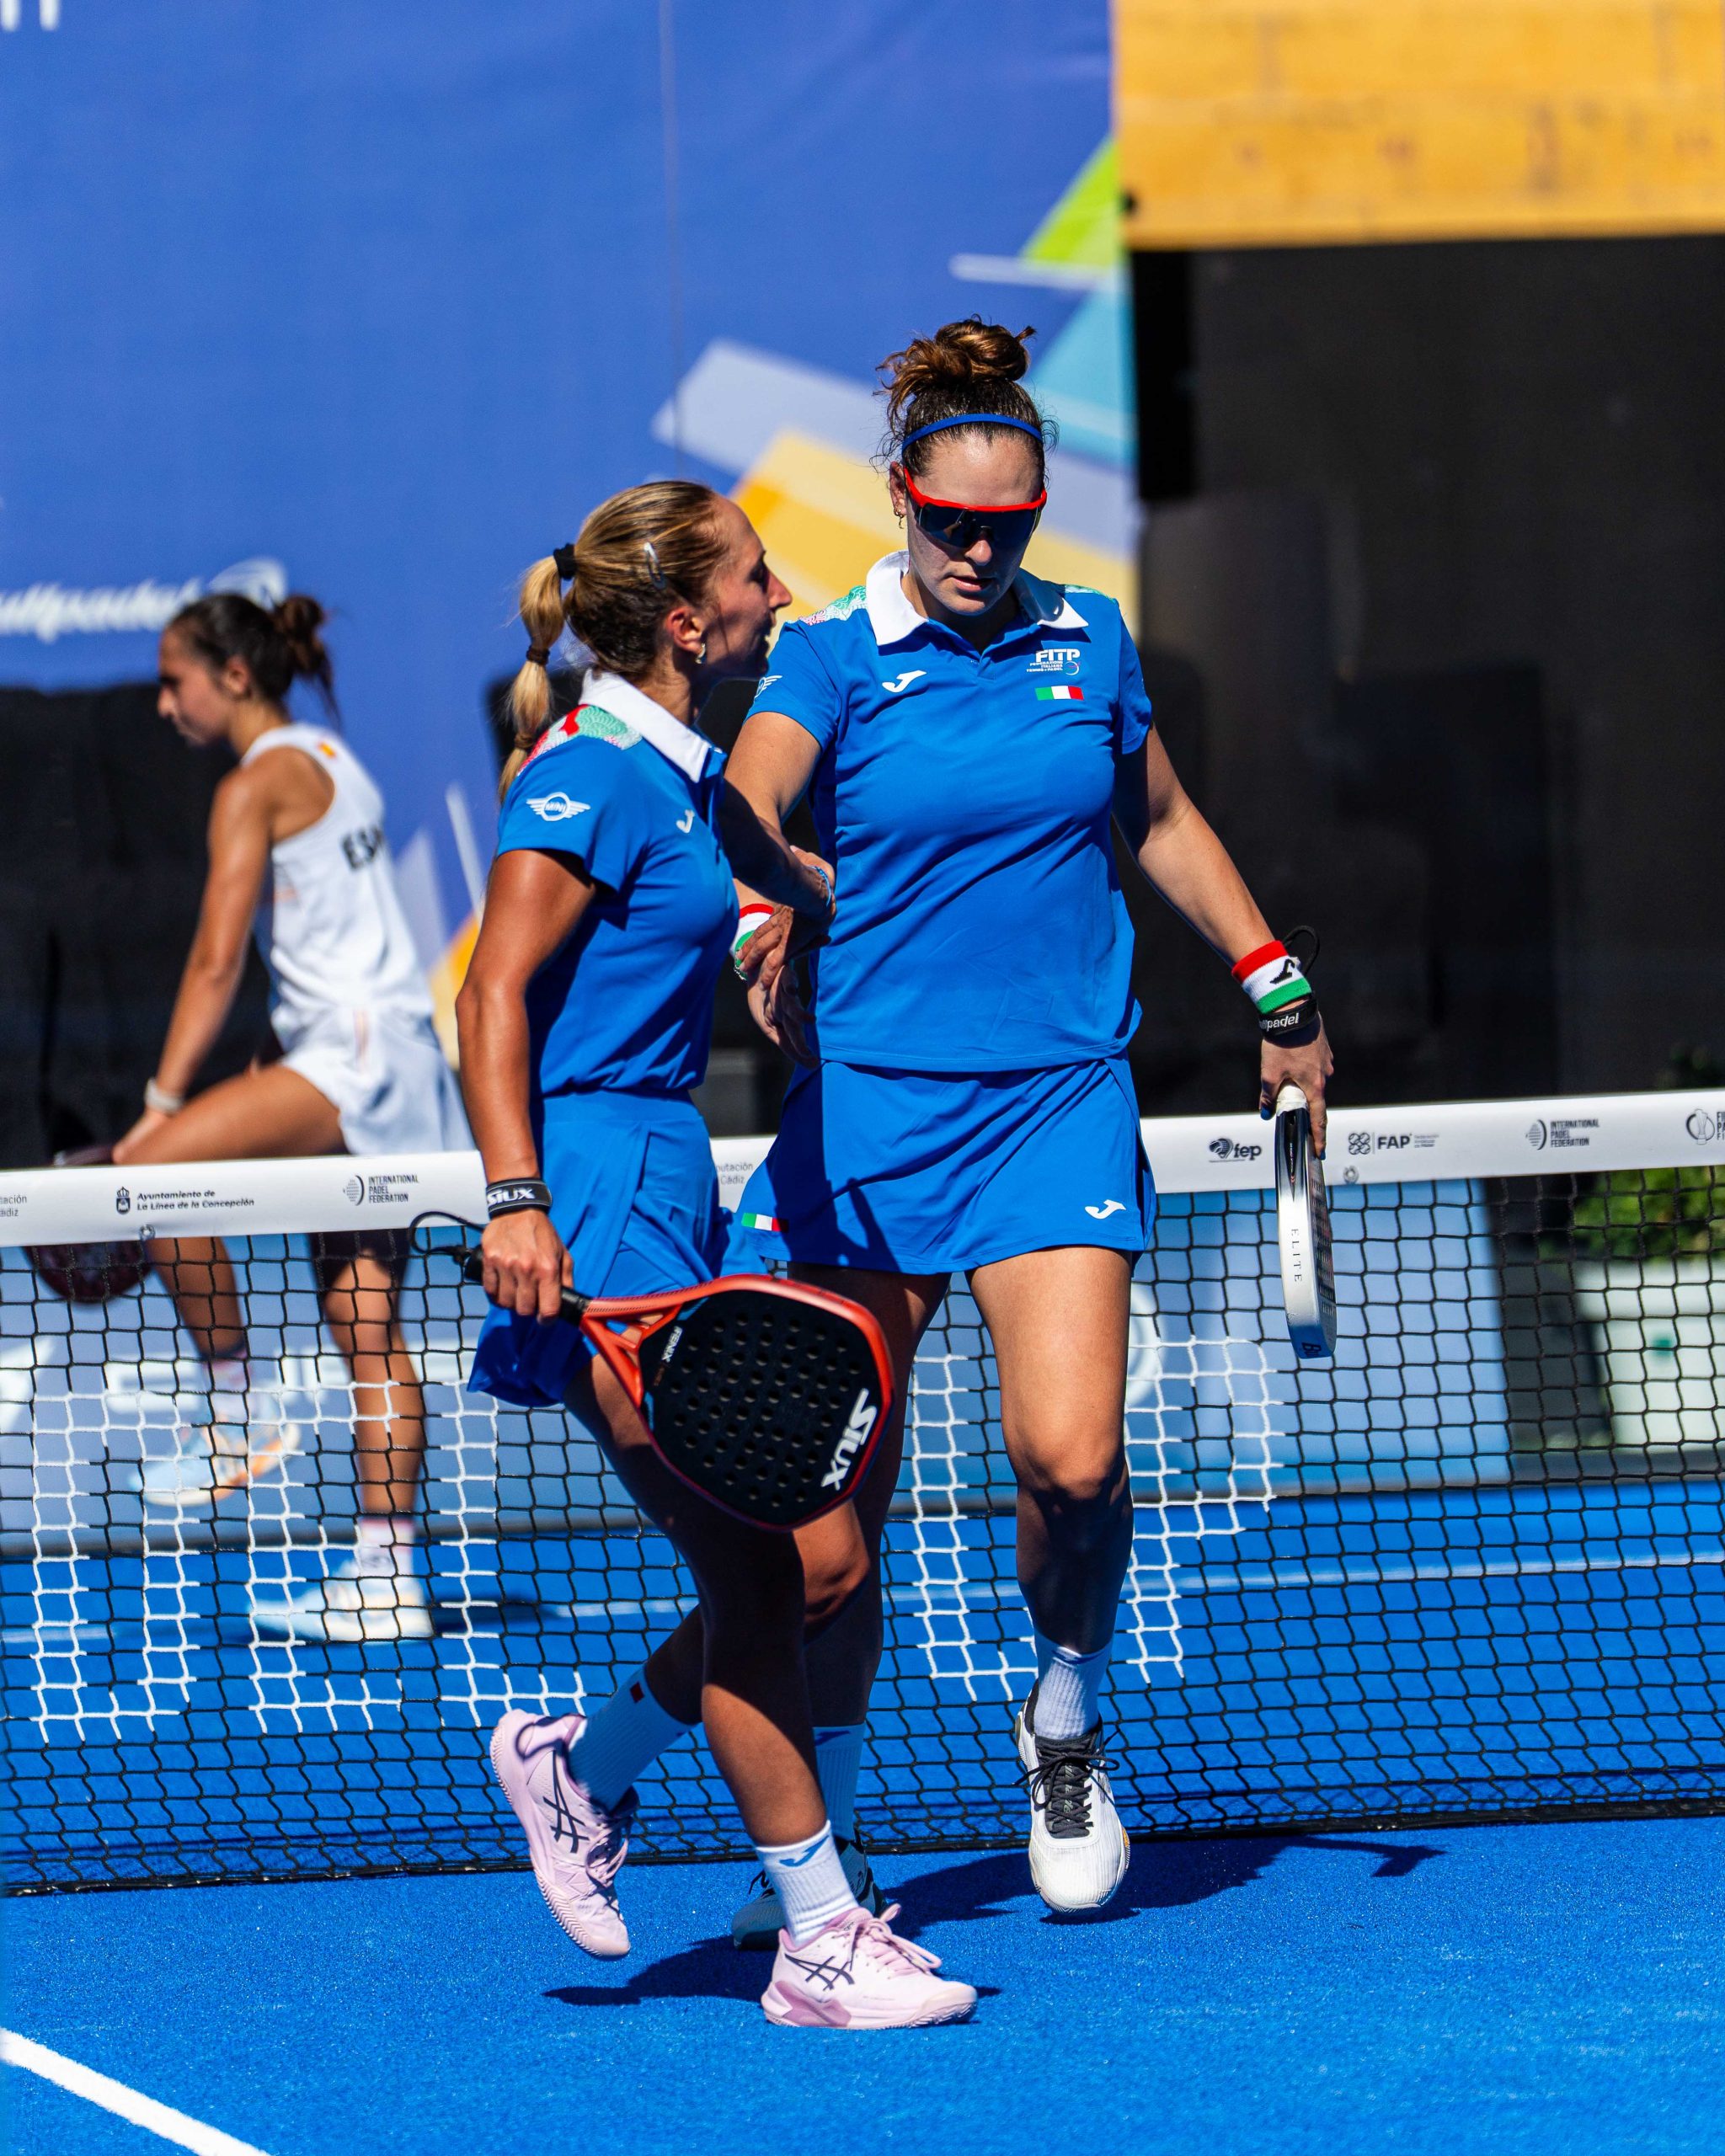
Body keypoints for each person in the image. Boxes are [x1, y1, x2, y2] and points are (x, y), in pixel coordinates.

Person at [596, 318, 1335, 1932]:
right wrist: (769, 908)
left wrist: (1274, 983)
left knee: (1071, 1466)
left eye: (1008, 525)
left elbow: (1158, 818)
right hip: (865, 1126)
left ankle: (1064, 1717)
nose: (978, 552)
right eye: (949, 522)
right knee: (823, 1542)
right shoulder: (829, 655)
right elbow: (751, 798)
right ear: (898, 497)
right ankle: (831, 1846)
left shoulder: (1091, 640)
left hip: (1056, 1103)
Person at [460, 479, 975, 2028]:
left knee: (817, 1562)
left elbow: (760, 891)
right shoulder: (590, 773)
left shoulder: (681, 781)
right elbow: (491, 994)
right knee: (762, 1562)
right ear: (687, 623)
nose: (779, 593)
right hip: (596, 1193)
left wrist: (810, 917)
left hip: (667, 1179)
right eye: (755, 576)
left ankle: (583, 1765)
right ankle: (815, 1937)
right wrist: (514, 1199)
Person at [112, 591, 467, 1643]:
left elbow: (217, 959)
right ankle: (388, 1577)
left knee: (155, 1177)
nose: (163, 703)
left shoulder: (253, 781)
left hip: (352, 1061)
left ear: (231, 676)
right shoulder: (331, 756)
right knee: (368, 1332)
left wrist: (159, 1106)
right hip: (398, 1062)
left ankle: (237, 1413)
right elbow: (333, 938)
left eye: (173, 680)